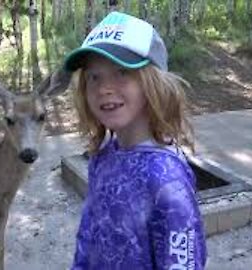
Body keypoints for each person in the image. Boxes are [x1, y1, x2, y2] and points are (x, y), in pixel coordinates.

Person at [63, 12, 207, 270]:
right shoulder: (103, 156)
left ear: (153, 83)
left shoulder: (167, 183)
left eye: (121, 72)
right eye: (94, 77)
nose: (104, 88)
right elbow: (89, 234)